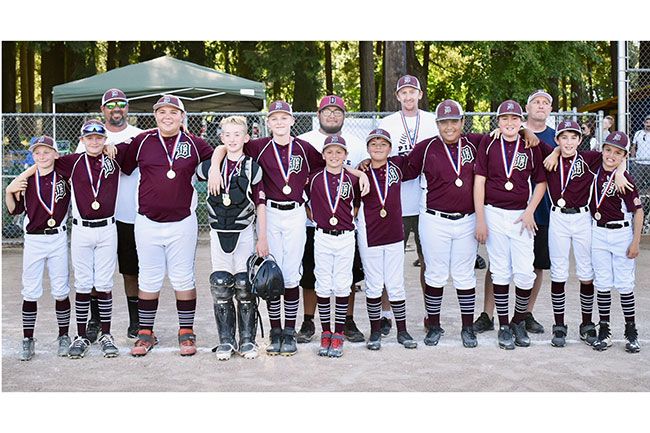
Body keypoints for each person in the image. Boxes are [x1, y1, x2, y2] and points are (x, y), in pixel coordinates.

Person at [207, 101, 368, 357]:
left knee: (292, 274)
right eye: (275, 118)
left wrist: (358, 173)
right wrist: (215, 167)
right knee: (272, 274)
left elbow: (331, 162)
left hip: (294, 214)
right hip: (268, 213)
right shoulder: (258, 147)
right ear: (268, 123)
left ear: (293, 121)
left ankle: (289, 332)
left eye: (284, 118)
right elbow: (225, 146)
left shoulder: (304, 148)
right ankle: (275, 332)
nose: (280, 122)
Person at [112, 95, 215, 357]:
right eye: (162, 112)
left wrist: (221, 156)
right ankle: (145, 332)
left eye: (173, 112)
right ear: (155, 115)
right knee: (149, 276)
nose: (167, 116)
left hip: (182, 222)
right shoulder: (143, 140)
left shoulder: (194, 142)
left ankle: (186, 331)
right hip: (147, 222)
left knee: (183, 276)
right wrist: (108, 148)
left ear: (182, 116)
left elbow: (219, 155)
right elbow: (117, 157)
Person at [402, 100, 485, 348]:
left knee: (464, 275)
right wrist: (369, 165)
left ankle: (467, 328)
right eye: (444, 122)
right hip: (434, 219)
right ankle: (434, 326)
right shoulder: (426, 148)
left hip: (467, 219)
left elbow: (504, 133)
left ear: (462, 122)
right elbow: (403, 168)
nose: (449, 126)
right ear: (437, 124)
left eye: (454, 121)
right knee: (435, 274)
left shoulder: (475, 143)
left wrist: (525, 131)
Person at [541, 121, 630, 347]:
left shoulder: (589, 158)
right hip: (558, 216)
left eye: (574, 137)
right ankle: (559, 325)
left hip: (582, 218)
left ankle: (587, 324)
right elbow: (528, 137)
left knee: (586, 271)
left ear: (580, 141)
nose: (569, 142)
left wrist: (621, 171)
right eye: (564, 137)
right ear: (557, 140)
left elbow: (616, 156)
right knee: (559, 271)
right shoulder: (550, 159)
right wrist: (553, 152)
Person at [473, 90, 554, 335]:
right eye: (504, 119)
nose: (509, 122)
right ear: (498, 122)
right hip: (494, 212)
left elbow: (543, 179)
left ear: (521, 121)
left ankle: (519, 320)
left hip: (523, 215)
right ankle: (504, 325)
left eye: (514, 119)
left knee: (525, 272)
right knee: (499, 270)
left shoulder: (532, 145)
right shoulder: (489, 142)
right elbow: (479, 181)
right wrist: (480, 219)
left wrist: (530, 210)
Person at [41, 121, 121, 359]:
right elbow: (44, 161)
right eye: (89, 138)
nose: (94, 142)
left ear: (105, 139)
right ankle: (82, 335)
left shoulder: (115, 158)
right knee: (84, 284)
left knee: (104, 284)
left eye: (99, 137)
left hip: (107, 227)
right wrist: (15, 183)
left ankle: (106, 334)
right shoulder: (73, 161)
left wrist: (115, 146)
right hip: (82, 229)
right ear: (82, 140)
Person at [295, 95, 368, 345]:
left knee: (347, 275)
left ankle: (346, 321)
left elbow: (359, 176)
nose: (332, 115)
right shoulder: (304, 141)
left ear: (344, 116)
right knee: (311, 275)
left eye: (338, 111)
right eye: (328, 111)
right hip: (315, 224)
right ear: (318, 114)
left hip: (345, 224)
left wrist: (357, 171)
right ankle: (308, 320)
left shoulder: (356, 144)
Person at [195, 116, 268, 360]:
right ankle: (226, 340)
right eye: (228, 134)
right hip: (219, 232)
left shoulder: (252, 168)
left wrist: (262, 237)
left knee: (244, 286)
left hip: (244, 231)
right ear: (222, 137)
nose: (233, 139)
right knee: (221, 283)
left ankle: (247, 340)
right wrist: (215, 166)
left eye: (238, 134)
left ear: (246, 137)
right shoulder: (211, 166)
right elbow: (206, 165)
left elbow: (260, 204)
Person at [76, 88, 143, 341]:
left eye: (122, 104)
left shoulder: (138, 136)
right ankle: (95, 320)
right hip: (96, 219)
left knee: (130, 270)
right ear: (103, 109)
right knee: (95, 272)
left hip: (129, 214)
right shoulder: (90, 138)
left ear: (127, 108)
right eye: (111, 104)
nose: (117, 109)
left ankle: (135, 321)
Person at [377, 74, 438, 334]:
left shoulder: (434, 121)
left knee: (428, 262)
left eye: (413, 91)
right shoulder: (387, 122)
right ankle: (385, 314)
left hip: (426, 201)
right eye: (404, 92)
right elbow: (377, 154)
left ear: (420, 94)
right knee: (388, 262)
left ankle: (429, 314)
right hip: (395, 202)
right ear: (398, 96)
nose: (409, 96)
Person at [5, 136, 72, 361]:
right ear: (33, 156)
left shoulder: (64, 177)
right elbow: (15, 211)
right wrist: (8, 191)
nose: (42, 156)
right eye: (37, 153)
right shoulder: (26, 181)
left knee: (61, 289)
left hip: (58, 238)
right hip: (34, 239)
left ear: (55, 154)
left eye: (46, 152)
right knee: (31, 290)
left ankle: (64, 336)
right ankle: (28, 338)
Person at [357, 129, 418, 350]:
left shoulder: (398, 166)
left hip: (393, 232)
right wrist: (358, 167)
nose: (378, 148)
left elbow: (420, 152)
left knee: (395, 284)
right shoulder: (360, 171)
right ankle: (375, 332)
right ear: (367, 149)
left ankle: (402, 330)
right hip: (370, 232)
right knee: (373, 285)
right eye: (373, 144)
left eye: (383, 144)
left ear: (390, 148)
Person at [588, 132, 642, 353]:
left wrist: (636, 241)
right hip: (598, 233)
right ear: (602, 149)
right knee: (602, 283)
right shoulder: (594, 168)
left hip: (621, 234)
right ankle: (605, 330)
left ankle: (631, 331)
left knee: (624, 284)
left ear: (624, 156)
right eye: (608, 150)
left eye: (618, 153)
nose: (611, 155)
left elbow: (638, 212)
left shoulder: (625, 178)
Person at [307, 135, 361, 357]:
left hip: (346, 236)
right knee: (323, 282)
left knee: (342, 283)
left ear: (346, 156)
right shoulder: (314, 178)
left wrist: (347, 220)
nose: (334, 156)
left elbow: (357, 204)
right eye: (330, 151)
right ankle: (325, 332)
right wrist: (316, 219)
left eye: (339, 152)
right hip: (322, 235)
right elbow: (302, 202)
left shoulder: (354, 180)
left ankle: (338, 333)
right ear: (323, 155)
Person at [630, 113, 650, 192]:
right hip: (639, 163)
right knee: (636, 184)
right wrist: (633, 159)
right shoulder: (638, 133)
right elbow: (633, 147)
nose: (649, 124)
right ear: (644, 123)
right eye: (647, 122)